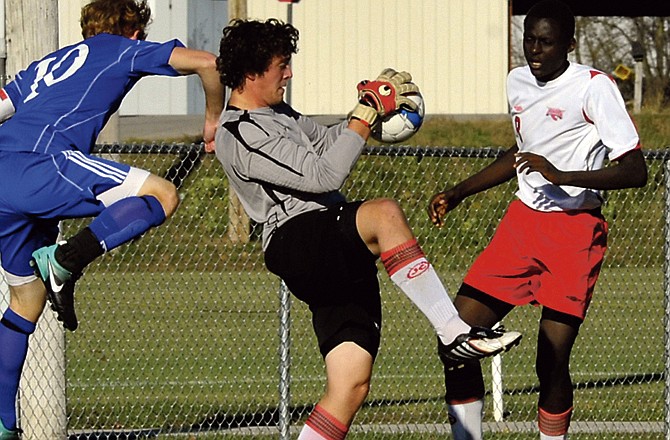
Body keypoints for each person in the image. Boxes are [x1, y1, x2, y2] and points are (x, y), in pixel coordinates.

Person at [212, 18, 521, 440]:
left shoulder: (278, 113)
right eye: (281, 65)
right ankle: (454, 332)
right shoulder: (239, 132)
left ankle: (453, 335)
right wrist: (365, 113)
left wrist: (371, 112)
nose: (289, 73)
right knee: (383, 214)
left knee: (350, 385)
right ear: (251, 72)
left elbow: (328, 143)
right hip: (297, 240)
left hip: (329, 249)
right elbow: (324, 176)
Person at [0, 0, 224, 437]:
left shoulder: (48, 63)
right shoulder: (121, 48)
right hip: (42, 161)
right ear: (132, 29)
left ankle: (2, 423)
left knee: (24, 302)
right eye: (140, 30)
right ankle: (65, 260)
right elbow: (208, 63)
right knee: (163, 195)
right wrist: (212, 118)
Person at [427, 1, 648, 438]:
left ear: (569, 43)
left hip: (575, 233)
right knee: (454, 341)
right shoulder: (517, 82)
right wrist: (458, 191)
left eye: (546, 42)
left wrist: (563, 175)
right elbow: (520, 153)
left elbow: (635, 169)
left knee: (550, 361)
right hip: (522, 225)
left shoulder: (594, 87)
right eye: (529, 38)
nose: (534, 49)